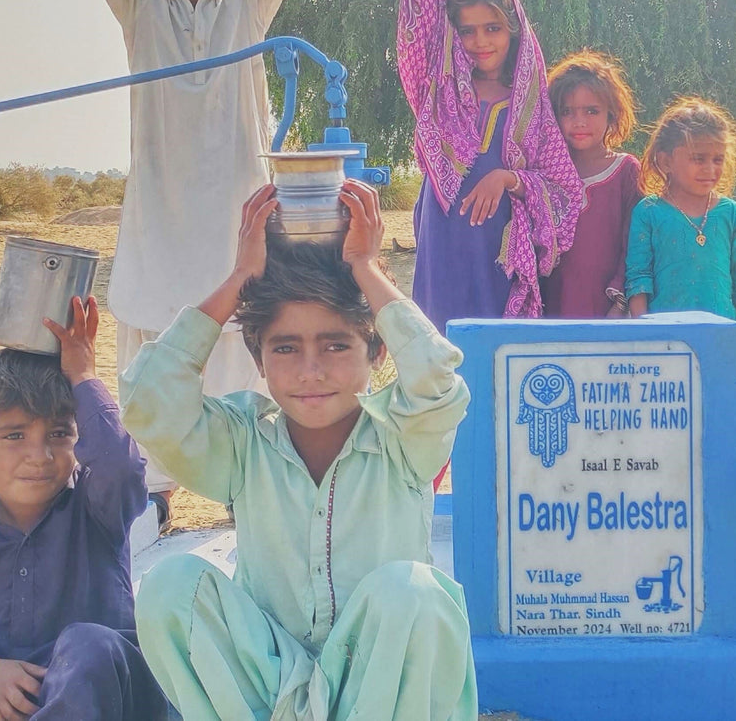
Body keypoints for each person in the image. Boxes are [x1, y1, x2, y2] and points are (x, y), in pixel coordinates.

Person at [121, 181, 478, 721]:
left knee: (415, 593)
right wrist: (240, 278)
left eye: (336, 345)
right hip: (275, 685)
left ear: (377, 350)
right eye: (286, 348)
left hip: (382, 689)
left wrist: (365, 267)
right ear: (259, 360)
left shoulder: (405, 438)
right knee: (168, 588)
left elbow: (437, 380)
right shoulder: (242, 441)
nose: (311, 370)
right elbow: (149, 401)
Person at [78, 0, 307, 521]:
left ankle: (247, 493)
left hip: (234, 218)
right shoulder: (139, 7)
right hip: (160, 215)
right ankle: (155, 497)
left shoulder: (247, 8)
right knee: (156, 344)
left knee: (241, 349)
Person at [0, 297, 167, 721]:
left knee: (89, 644)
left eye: (58, 433)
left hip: (106, 698)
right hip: (1, 702)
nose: (40, 455)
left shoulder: (98, 508)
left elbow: (121, 467)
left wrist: (82, 374)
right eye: (14, 436)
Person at [395, 0, 582, 333]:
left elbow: (565, 194)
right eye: (468, 30)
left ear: (513, 30)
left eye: (492, 28)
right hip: (443, 245)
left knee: (498, 360)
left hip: (499, 252)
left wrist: (508, 179)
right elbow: (418, 20)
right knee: (442, 354)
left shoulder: (532, 107)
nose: (480, 41)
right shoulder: (436, 93)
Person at [624, 97, 736, 368]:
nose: (710, 169)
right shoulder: (649, 212)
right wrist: (643, 333)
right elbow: (638, 278)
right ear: (666, 161)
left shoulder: (731, 213)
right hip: (664, 343)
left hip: (720, 340)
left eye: (717, 159)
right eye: (698, 159)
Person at [541, 49, 642, 318]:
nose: (580, 122)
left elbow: (635, 245)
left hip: (608, 310)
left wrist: (620, 303)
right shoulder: (543, 173)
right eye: (567, 111)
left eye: (591, 111)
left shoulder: (626, 172)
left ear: (612, 114)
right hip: (551, 308)